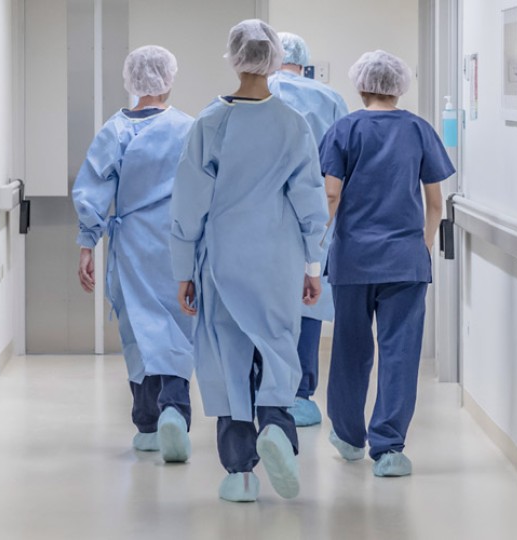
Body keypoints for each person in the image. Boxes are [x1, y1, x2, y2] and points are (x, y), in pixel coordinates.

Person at [170, 19, 329, 503]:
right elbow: (311, 201)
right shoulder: (293, 124)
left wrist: (183, 271)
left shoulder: (209, 124)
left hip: (223, 261)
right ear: (275, 58)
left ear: (235, 58)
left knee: (228, 358)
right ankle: (277, 425)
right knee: (277, 347)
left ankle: (239, 472)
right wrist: (313, 266)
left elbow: (188, 205)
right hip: (279, 260)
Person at [317, 50, 454, 478]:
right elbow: (436, 203)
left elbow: (331, 195)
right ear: (399, 87)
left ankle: (348, 436)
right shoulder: (418, 130)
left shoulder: (344, 129)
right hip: (405, 262)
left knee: (349, 350)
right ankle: (389, 448)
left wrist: (315, 245)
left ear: (361, 85)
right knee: (400, 353)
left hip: (353, 260)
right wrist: (422, 246)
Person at [73, 45, 197, 464]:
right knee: (177, 327)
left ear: (132, 80)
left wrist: (87, 243)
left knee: (139, 330)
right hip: (178, 242)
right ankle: (174, 410)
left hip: (132, 245)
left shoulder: (116, 130)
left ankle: (147, 425)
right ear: (169, 78)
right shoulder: (188, 128)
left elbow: (92, 191)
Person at [268, 31, 350, 428]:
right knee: (309, 296)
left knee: (261, 303)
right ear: (305, 63)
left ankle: (264, 391)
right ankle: (299, 395)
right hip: (316, 213)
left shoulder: (256, 94)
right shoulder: (329, 99)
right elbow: (344, 164)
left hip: (260, 214)